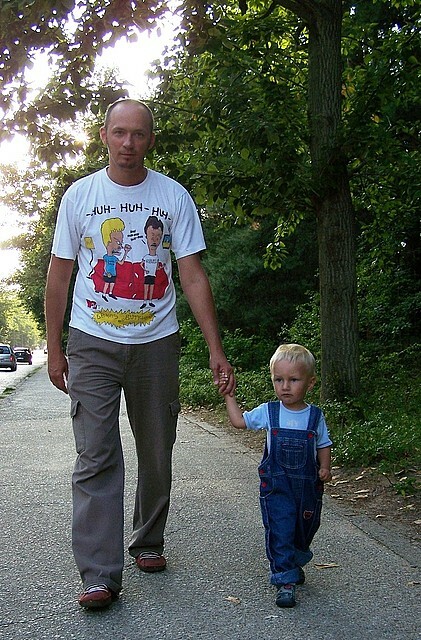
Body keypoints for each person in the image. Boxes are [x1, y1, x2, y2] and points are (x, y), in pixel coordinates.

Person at [45, 98, 235, 610]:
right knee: (95, 454)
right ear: (104, 136)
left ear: (151, 140)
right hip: (92, 341)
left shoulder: (172, 196)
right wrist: (55, 348)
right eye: (119, 132)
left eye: (138, 134)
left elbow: (192, 274)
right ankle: (99, 574)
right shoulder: (80, 196)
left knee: (156, 449)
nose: (128, 143)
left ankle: (148, 538)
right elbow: (60, 276)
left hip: (156, 343)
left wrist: (216, 349)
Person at [224, 343, 332, 608]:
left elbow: (323, 444)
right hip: (277, 487)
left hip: (308, 489)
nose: (285, 386)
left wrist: (325, 467)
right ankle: (284, 579)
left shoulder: (314, 416)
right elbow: (239, 422)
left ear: (310, 383)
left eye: (293, 380)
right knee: (281, 530)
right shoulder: (269, 412)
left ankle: (295, 560)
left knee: (305, 529)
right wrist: (229, 396)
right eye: (278, 379)